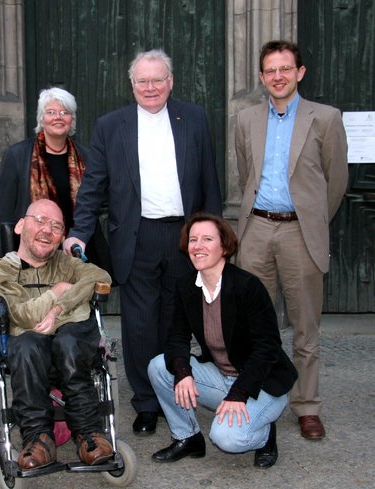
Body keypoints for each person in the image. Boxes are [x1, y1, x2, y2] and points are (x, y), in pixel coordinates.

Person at [63, 49, 223, 436]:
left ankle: (176, 395)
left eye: (157, 80)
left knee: (178, 318)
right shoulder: (110, 126)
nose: (150, 87)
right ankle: (146, 402)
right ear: (132, 85)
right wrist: (79, 232)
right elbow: (93, 188)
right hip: (136, 236)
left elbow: (210, 182)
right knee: (138, 325)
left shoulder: (195, 119)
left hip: (184, 234)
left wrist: (214, 234)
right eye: (142, 81)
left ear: (170, 82)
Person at [235, 40, 348, 440]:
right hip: (257, 231)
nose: (278, 76)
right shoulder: (246, 119)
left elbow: (336, 183)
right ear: (262, 77)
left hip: (301, 231)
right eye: (270, 70)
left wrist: (312, 221)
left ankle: (306, 406)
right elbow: (246, 173)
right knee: (253, 324)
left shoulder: (326, 118)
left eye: (285, 69)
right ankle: (260, 396)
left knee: (305, 326)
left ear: (299, 72)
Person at [148, 212, 297, 469]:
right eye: (193, 240)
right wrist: (183, 372)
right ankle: (188, 437)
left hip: (262, 384)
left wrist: (239, 393)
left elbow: (268, 347)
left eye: (207, 239)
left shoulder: (247, 287)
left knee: (227, 438)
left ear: (224, 247)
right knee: (160, 367)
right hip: (221, 378)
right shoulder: (186, 286)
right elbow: (176, 337)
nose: (198, 246)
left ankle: (264, 435)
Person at [0, 199, 113, 469]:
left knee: (70, 339)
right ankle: (38, 439)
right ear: (19, 226)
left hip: (71, 349)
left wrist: (59, 307)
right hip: (29, 354)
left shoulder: (67, 265)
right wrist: (57, 290)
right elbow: (22, 316)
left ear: (61, 236)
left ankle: (89, 432)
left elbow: (100, 277)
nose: (47, 230)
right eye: (39, 221)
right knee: (26, 343)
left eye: (56, 226)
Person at [0, 87, 111, 274]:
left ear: (72, 120)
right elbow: (2, 209)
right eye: (51, 112)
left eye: (64, 112)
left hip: (76, 250)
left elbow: (99, 202)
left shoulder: (87, 157)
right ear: (41, 118)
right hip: (34, 252)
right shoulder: (18, 155)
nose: (58, 117)